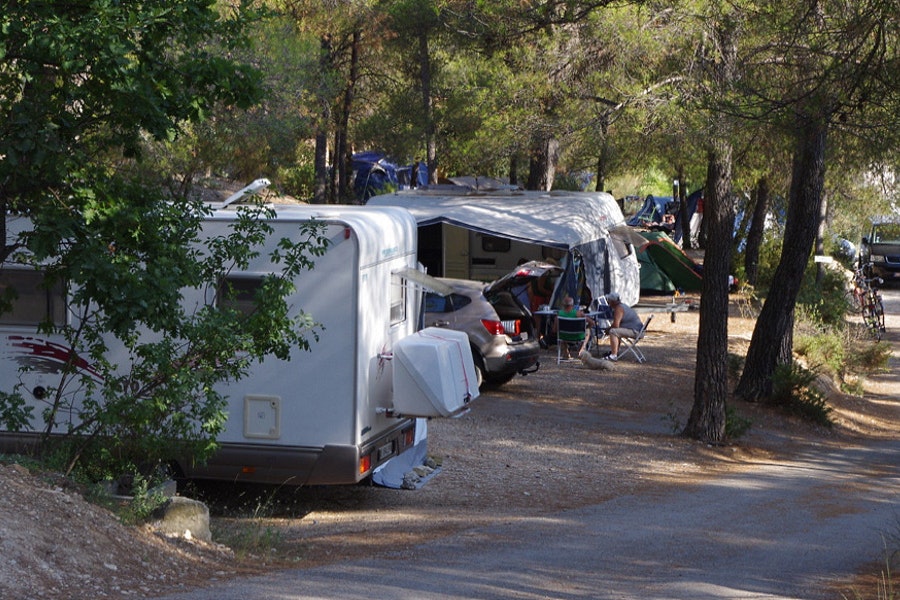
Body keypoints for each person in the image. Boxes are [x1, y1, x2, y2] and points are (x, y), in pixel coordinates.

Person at [602, 292, 642, 361]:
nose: (608, 302)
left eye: (609, 300)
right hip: (638, 330)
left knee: (613, 331)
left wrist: (608, 330)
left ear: (613, 301)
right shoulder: (622, 306)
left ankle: (613, 355)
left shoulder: (619, 309)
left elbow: (616, 325)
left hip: (635, 331)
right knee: (617, 332)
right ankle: (615, 352)